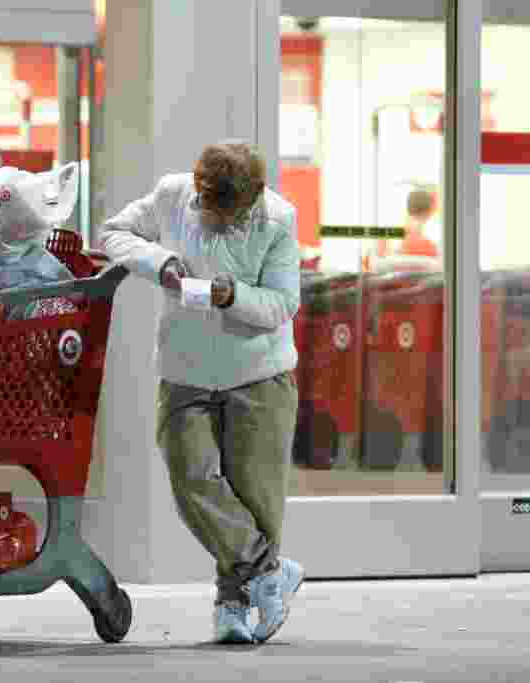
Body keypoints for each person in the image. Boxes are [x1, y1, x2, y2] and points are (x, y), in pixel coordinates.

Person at [99, 140, 305, 645]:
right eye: (209, 208)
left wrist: (232, 295)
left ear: (255, 195)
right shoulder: (172, 195)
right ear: (198, 187)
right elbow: (114, 233)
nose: (215, 220)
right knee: (190, 476)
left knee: (256, 496)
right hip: (184, 372)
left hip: (259, 374)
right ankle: (268, 571)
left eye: (227, 212)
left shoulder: (279, 219)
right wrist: (161, 263)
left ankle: (232, 606)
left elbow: (282, 305)